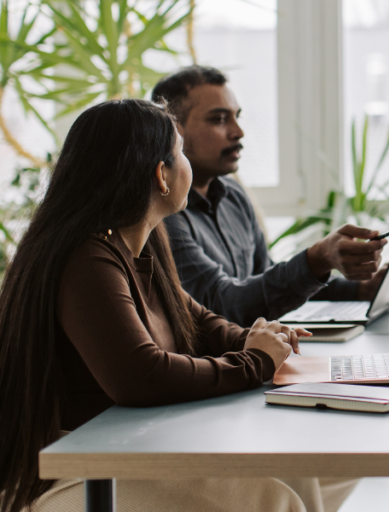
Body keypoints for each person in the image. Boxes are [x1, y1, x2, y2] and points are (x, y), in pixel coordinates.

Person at [0, 99, 354, 512]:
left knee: (301, 468)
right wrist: (256, 362)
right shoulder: (86, 258)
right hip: (69, 470)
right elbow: (140, 375)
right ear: (161, 175)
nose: (187, 162)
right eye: (181, 151)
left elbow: (199, 323)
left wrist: (258, 339)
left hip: (134, 444)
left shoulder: (142, 243)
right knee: (272, 497)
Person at [153, 66, 389, 326]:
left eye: (236, 117)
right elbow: (222, 306)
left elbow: (266, 284)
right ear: (174, 131)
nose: (238, 132)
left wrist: (359, 289)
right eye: (219, 119)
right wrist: (316, 259)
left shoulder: (234, 196)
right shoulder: (163, 214)